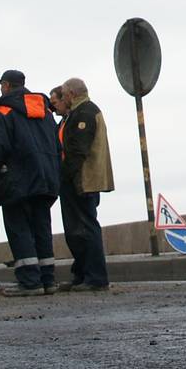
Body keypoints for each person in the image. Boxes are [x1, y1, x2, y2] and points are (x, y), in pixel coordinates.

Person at [0, 69, 61, 297]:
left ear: (6, 86)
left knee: (19, 229)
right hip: (45, 180)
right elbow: (57, 146)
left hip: (16, 182)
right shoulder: (44, 111)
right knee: (42, 228)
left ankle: (29, 281)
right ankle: (48, 279)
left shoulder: (3, 112)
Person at [58, 77, 114, 292]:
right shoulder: (80, 111)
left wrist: (63, 175)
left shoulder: (85, 112)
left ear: (71, 94)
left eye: (63, 94)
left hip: (83, 180)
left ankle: (96, 278)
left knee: (85, 228)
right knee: (77, 230)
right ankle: (82, 275)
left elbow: (78, 151)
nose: (62, 98)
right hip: (81, 179)